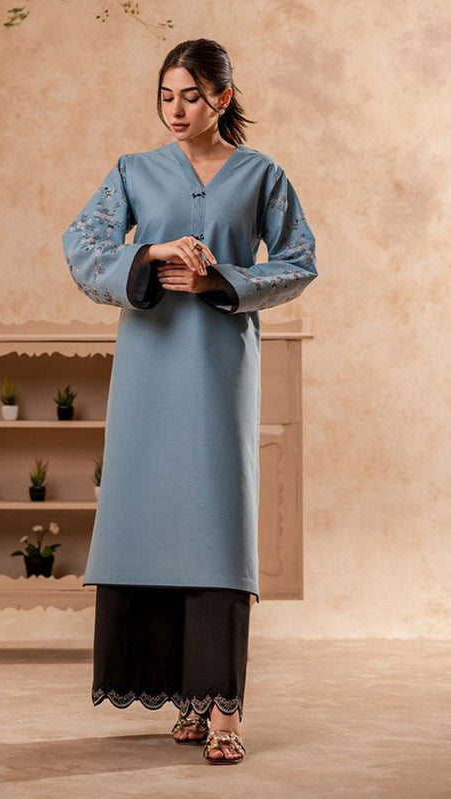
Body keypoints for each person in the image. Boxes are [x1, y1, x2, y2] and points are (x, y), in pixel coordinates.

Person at [61, 38, 318, 765]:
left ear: (222, 99)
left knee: (215, 522)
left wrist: (219, 281)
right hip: (147, 366)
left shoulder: (262, 175)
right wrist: (148, 253)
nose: (176, 109)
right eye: (166, 95)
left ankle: (226, 709)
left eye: (192, 96)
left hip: (216, 364)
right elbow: (82, 245)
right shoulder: (133, 171)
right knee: (148, 515)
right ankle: (186, 699)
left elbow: (299, 261)